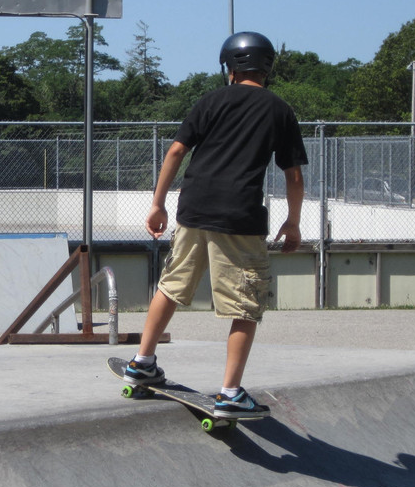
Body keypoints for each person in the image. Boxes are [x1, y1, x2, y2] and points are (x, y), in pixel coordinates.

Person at [124, 32, 307, 417]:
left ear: (229, 67)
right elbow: (293, 175)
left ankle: (142, 362)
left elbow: (176, 150)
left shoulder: (210, 100)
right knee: (245, 304)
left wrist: (158, 204)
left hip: (193, 209)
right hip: (238, 217)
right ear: (266, 67)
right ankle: (230, 392)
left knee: (171, 286)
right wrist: (292, 222)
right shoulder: (279, 110)